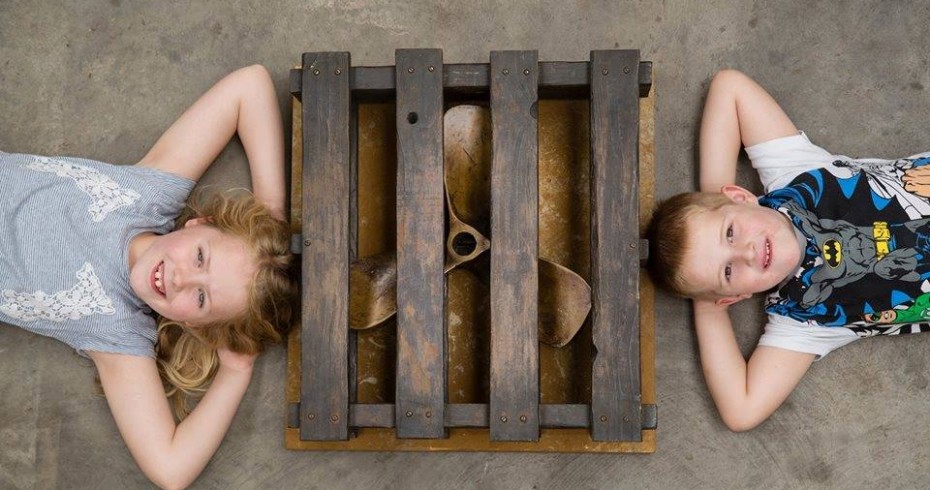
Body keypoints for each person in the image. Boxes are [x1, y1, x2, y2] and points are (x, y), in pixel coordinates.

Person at [0, 64, 298, 489]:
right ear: (198, 224)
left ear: (196, 326)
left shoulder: (117, 333)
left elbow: (171, 469)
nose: (180, 279)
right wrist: (270, 212)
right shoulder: (147, 195)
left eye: (200, 299)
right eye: (200, 257)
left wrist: (236, 372)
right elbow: (249, 86)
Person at [648, 69, 930, 432]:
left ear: (739, 196)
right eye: (729, 272)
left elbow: (729, 87)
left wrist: (718, 199)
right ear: (736, 296)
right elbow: (741, 410)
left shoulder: (794, 174)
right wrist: (708, 303)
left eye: (731, 232)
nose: (747, 253)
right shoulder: (803, 319)